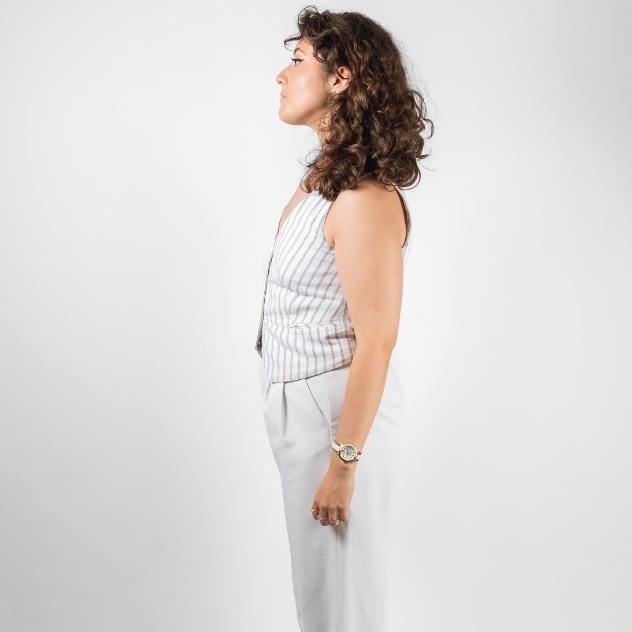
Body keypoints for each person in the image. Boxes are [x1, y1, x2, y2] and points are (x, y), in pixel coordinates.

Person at [255, 7, 432, 632]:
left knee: (340, 608)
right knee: (323, 600)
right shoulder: (324, 179)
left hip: (337, 414)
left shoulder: (363, 197)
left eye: (298, 60)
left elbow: (378, 340)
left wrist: (344, 462)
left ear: (340, 78)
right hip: (307, 408)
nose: (282, 74)